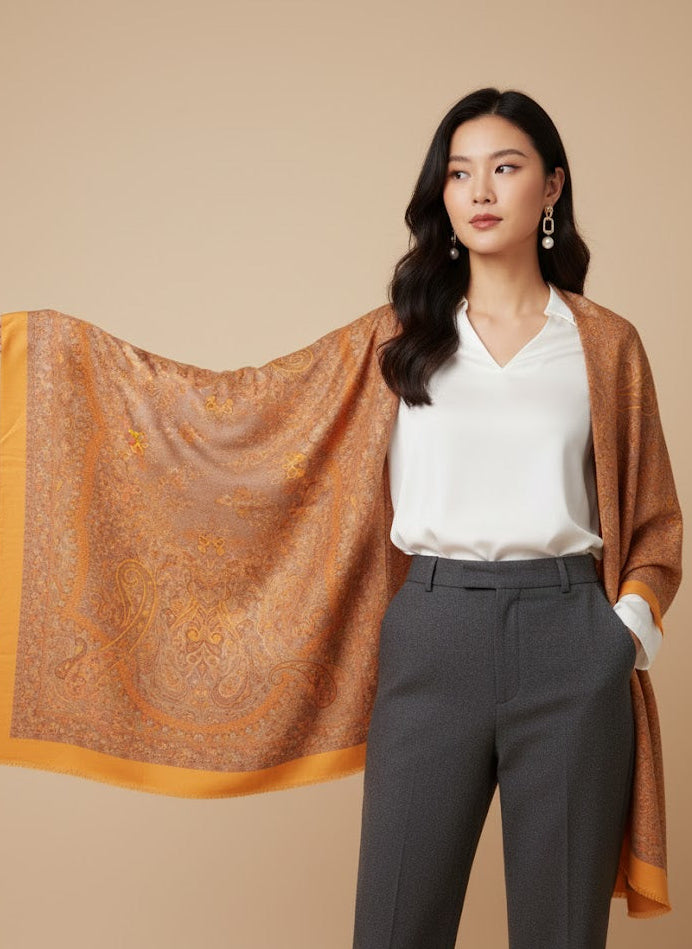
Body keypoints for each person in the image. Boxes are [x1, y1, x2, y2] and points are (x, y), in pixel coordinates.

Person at [350, 87, 679, 948]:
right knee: (393, 929)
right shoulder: (393, 339)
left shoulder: (605, 343)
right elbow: (254, 422)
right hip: (430, 635)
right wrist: (59, 363)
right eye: (460, 173)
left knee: (561, 934)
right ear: (443, 194)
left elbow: (654, 519)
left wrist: (621, 634)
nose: (481, 191)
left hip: (572, 644)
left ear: (552, 188)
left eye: (505, 167)